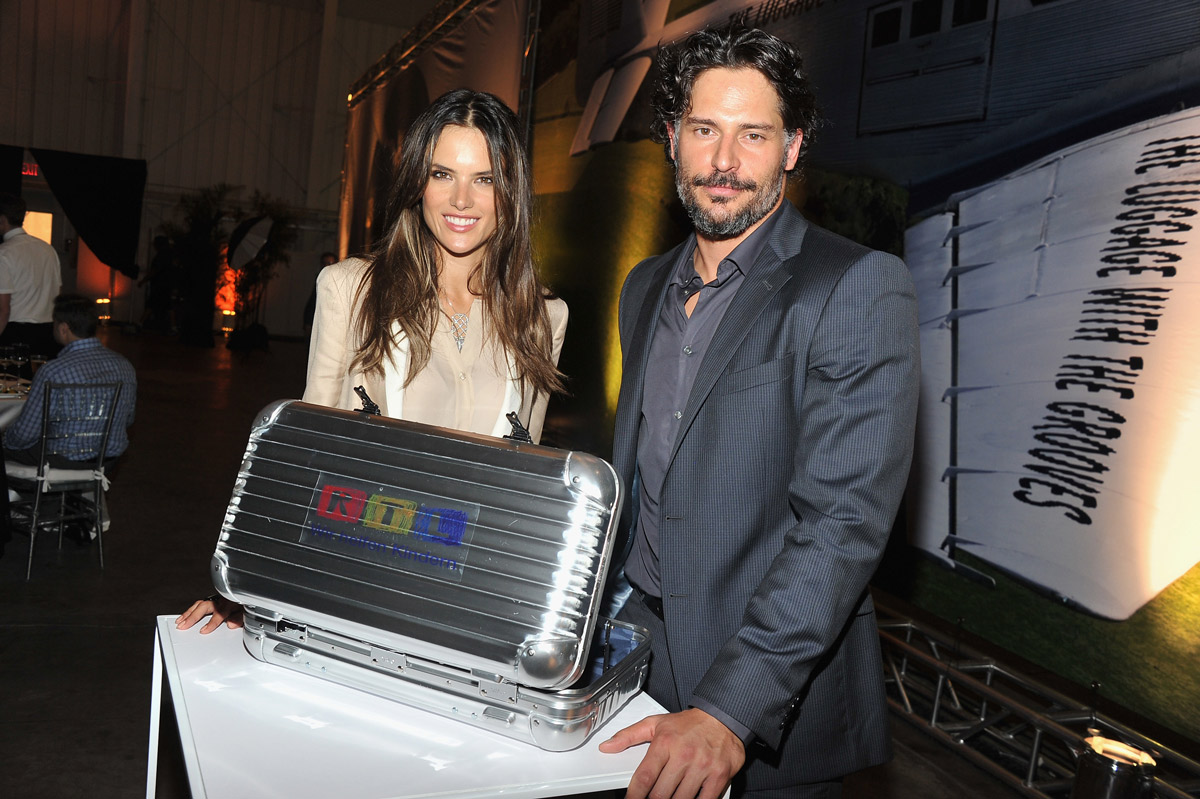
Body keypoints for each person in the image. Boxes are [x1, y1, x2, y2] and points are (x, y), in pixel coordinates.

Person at [596, 26, 920, 799]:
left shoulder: (855, 287)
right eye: (705, 130)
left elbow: (842, 525)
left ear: (792, 148)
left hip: (765, 710)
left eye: (754, 135)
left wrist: (726, 710)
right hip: (628, 664)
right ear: (673, 139)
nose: (725, 161)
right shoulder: (642, 286)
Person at [177, 88, 569, 634]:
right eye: (441, 174)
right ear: (416, 183)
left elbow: (524, 487)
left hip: (472, 601)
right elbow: (304, 458)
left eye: (484, 178)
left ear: (511, 192)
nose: (461, 199)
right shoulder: (351, 292)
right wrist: (253, 586)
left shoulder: (543, 317)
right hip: (360, 577)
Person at [4, 293, 137, 542]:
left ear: (63, 328)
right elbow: (128, 419)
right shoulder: (124, 365)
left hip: (61, 462)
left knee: (13, 443)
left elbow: (25, 434)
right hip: (106, 461)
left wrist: (5, 439)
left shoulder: (53, 370)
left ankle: (16, 518)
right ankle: (61, 512)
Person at [0, 193, 63, 356]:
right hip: (48, 334)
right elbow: (57, 295)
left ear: (2, 220)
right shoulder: (48, 250)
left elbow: (3, 310)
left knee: (13, 381)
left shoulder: (4, 253)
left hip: (15, 335)